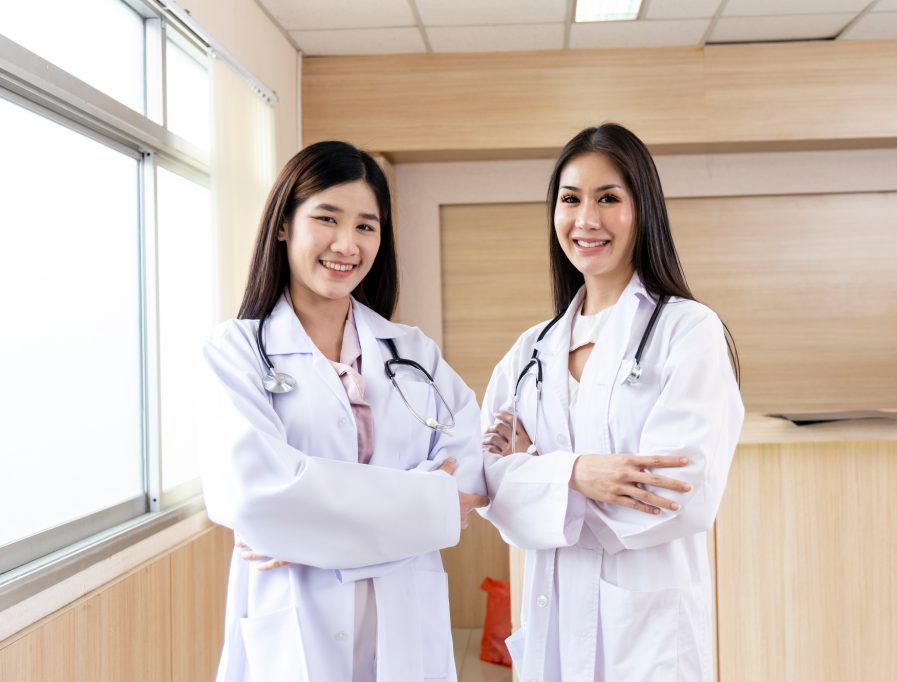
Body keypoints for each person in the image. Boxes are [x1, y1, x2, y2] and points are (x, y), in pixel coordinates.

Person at [200, 140, 487, 682]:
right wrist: (424, 507)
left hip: (404, 622)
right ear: (284, 225)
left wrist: (313, 525)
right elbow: (259, 497)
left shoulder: (412, 351)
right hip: (294, 626)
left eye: (365, 226)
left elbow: (469, 474)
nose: (346, 244)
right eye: (326, 218)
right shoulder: (235, 350)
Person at [479, 123, 743, 682]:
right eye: (570, 199)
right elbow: (486, 483)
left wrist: (537, 476)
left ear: (642, 210)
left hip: (646, 631)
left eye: (608, 199)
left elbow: (679, 492)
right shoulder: (532, 350)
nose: (586, 219)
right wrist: (579, 474)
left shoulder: (687, 331)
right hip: (553, 613)